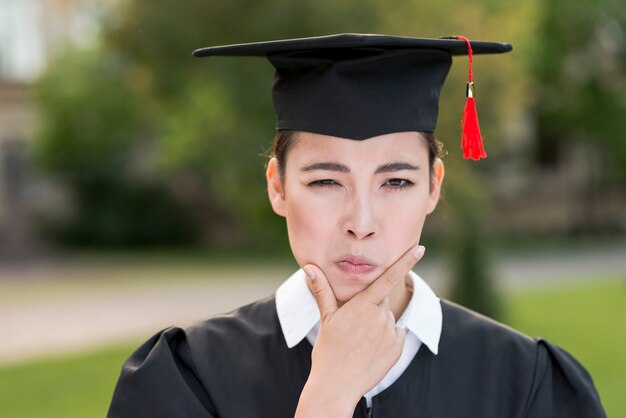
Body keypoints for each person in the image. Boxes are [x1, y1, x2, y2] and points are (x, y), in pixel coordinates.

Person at [107, 34, 606, 417]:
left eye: (395, 183)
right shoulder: (188, 380)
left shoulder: (525, 385)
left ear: (434, 187)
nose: (361, 224)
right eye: (326, 182)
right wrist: (329, 395)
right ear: (277, 187)